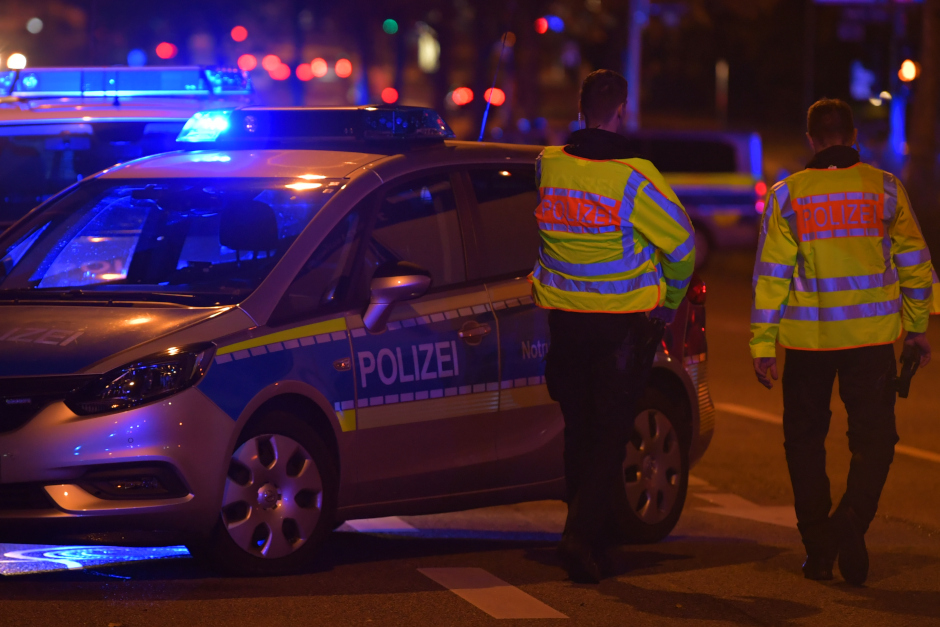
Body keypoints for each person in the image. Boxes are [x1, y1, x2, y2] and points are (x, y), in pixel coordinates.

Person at [750, 98, 936, 585]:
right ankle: (851, 521)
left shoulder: (789, 195)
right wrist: (917, 328)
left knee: (805, 444)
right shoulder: (885, 188)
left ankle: (819, 547)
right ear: (854, 137)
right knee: (876, 441)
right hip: (871, 342)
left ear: (811, 139)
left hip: (808, 345)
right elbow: (916, 265)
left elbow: (772, 277)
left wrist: (762, 344)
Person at [531, 69, 695, 583]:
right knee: (609, 434)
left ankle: (592, 539)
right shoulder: (634, 178)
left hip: (565, 323)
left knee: (579, 431)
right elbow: (684, 249)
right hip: (620, 327)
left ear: (579, 109)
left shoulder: (549, 165)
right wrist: (668, 301)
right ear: (621, 110)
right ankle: (579, 539)